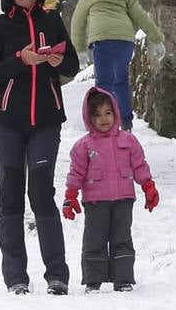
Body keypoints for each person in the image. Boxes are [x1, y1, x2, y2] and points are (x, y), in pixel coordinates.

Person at [0, 0, 80, 295]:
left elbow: (72, 63)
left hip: (46, 122)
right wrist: (20, 60)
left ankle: (57, 274)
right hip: (6, 122)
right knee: (10, 195)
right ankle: (16, 278)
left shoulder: (51, 20)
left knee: (41, 193)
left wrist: (56, 60)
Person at [62, 87, 159, 293]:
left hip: (123, 199)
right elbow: (76, 173)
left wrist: (148, 186)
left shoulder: (128, 141)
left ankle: (123, 278)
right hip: (95, 202)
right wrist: (71, 196)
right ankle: (93, 279)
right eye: (97, 115)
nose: (103, 119)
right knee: (94, 239)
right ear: (89, 118)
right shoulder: (84, 146)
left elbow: (140, 165)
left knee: (122, 238)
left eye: (108, 113)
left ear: (115, 113)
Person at [68, 0, 165, 131]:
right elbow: (140, 15)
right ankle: (126, 122)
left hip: (101, 38)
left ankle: (99, 124)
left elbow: (78, 20)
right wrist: (157, 39)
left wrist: (79, 49)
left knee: (103, 82)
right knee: (121, 81)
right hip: (124, 41)